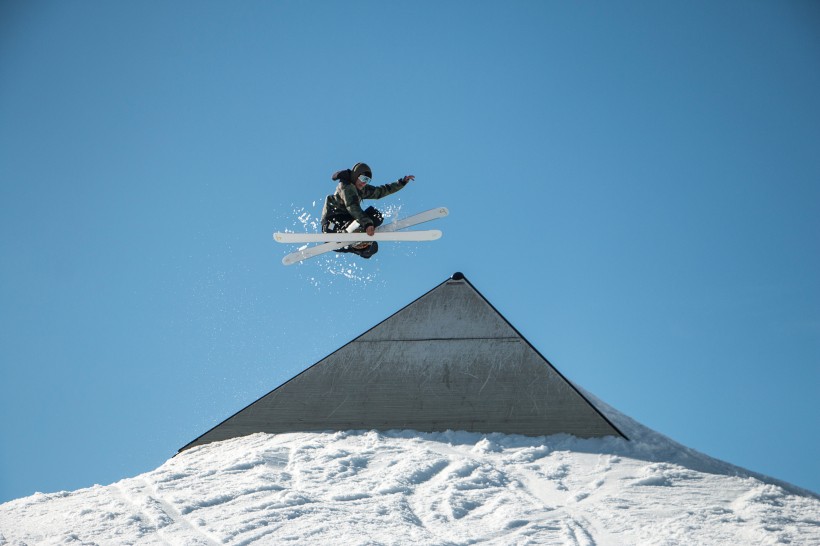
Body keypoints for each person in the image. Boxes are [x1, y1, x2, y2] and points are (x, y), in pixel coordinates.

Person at [320, 162, 414, 258]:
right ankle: (352, 236)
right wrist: (367, 224)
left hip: (346, 223)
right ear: (356, 176)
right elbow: (352, 206)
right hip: (332, 225)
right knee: (368, 220)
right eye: (363, 178)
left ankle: (359, 246)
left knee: (376, 217)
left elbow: (380, 191)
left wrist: (401, 183)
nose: (364, 182)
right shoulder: (346, 186)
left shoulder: (361, 188)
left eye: (367, 180)